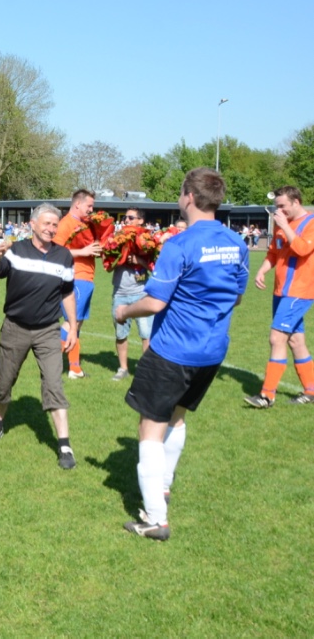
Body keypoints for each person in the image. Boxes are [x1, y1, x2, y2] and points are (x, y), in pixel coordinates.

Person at [115, 168, 247, 540]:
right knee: (177, 416)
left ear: (189, 195)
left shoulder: (179, 245)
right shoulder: (236, 242)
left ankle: (155, 519)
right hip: (212, 351)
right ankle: (164, 486)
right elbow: (237, 297)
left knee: (149, 428)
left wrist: (124, 311)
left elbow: (155, 302)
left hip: (173, 350)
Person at [0, 203, 79, 470]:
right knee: (4, 381)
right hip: (15, 327)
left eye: (55, 224)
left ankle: (64, 445)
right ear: (33, 224)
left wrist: (72, 326)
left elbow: (67, 293)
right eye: (46, 223)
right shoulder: (16, 251)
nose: (51, 228)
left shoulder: (64, 256)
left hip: (48, 330)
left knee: (54, 384)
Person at [245, 186, 314, 408]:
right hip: (281, 291)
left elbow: (302, 249)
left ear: (296, 202)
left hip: (299, 292)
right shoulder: (280, 223)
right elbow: (274, 253)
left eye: (283, 206)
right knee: (295, 340)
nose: (279, 211)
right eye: (277, 207)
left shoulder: (311, 223)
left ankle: (267, 395)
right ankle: (311, 390)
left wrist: (284, 226)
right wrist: (262, 270)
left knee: (276, 338)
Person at [54, 189, 102, 378]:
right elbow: (56, 252)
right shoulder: (66, 224)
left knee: (77, 324)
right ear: (78, 204)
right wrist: (83, 252)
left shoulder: (85, 224)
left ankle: (74, 368)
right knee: (71, 323)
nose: (91, 209)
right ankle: (51, 364)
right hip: (75, 278)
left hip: (86, 278)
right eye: (89, 206)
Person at [112, 207, 153, 380]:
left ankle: (147, 371)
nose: (126, 220)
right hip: (120, 293)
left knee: (146, 334)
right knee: (120, 334)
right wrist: (116, 256)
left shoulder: (148, 239)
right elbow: (108, 263)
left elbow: (155, 266)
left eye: (130, 217)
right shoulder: (117, 238)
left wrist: (139, 260)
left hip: (142, 293)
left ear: (140, 220)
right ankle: (123, 368)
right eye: (125, 218)